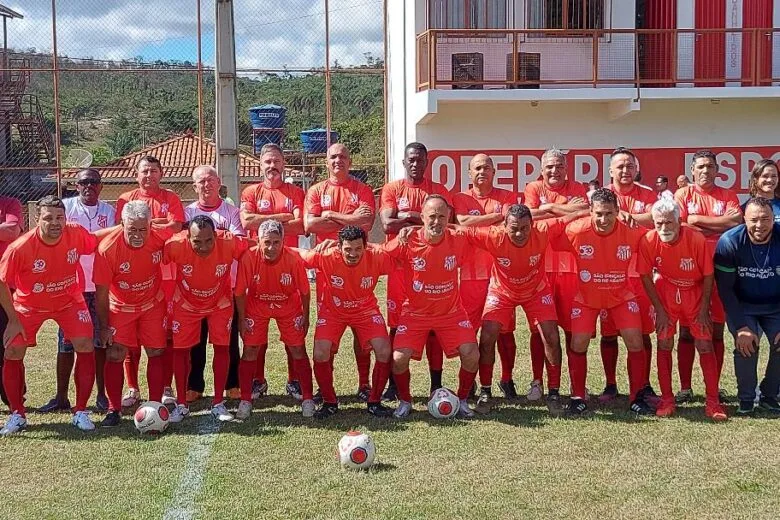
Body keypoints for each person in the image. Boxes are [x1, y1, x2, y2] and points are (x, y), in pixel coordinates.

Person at [455, 204, 575, 415]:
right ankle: (485, 391)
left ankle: (554, 392)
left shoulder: (544, 229)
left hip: (536, 291)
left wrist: (606, 211)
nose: (519, 233)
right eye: (514, 228)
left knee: (551, 336)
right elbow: (455, 229)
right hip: (502, 291)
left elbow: (571, 217)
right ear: (504, 226)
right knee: (487, 336)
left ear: (533, 225)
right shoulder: (492, 236)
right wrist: (418, 227)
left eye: (524, 228)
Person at [0, 196, 98, 435]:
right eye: (48, 218)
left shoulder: (75, 233)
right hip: (29, 305)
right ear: (37, 219)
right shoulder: (19, 248)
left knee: (85, 344)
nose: (55, 223)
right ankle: (17, 414)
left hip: (68, 301)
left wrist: (126, 227)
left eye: (59, 218)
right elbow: (2, 282)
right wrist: (13, 319)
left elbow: (96, 241)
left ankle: (81, 411)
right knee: (12, 350)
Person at [552, 188, 652, 416]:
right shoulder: (577, 230)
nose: (603, 219)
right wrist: (569, 214)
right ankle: (578, 397)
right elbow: (547, 237)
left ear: (618, 211)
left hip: (620, 296)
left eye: (608, 213)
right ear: (590, 212)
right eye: (598, 214)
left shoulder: (631, 230)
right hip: (587, 298)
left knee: (635, 341)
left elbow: (657, 233)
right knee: (578, 343)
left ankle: (637, 396)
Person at [382, 195, 479, 418]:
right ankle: (405, 402)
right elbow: (379, 253)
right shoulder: (407, 240)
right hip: (416, 313)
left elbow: (487, 233)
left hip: (451, 313)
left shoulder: (459, 238)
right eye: (432, 217)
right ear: (422, 218)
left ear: (449, 219)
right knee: (398, 359)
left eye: (442, 217)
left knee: (471, 354)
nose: (437, 222)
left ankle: (462, 399)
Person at [637, 198, 726, 420]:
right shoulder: (648, 240)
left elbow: (708, 274)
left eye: (669, 223)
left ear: (679, 221)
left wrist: (705, 307)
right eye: (659, 223)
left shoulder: (695, 238)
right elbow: (645, 275)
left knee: (705, 344)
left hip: (694, 293)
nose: (664, 228)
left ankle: (713, 402)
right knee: (664, 342)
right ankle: (667, 399)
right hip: (666, 292)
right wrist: (659, 308)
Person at [379, 142, 452, 400]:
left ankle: (436, 385)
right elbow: (388, 222)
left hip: (431, 266)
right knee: (396, 324)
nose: (415, 163)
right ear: (404, 162)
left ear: (427, 161)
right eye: (411, 159)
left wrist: (408, 216)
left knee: (433, 327)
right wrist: (417, 217)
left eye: (420, 160)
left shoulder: (438, 190)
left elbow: (447, 222)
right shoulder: (392, 189)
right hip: (399, 267)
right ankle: (393, 384)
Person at [298, 226, 394, 418]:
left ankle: (374, 401)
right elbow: (297, 254)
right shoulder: (326, 256)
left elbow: (400, 252)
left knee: (384, 349)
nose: (353, 254)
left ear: (366, 247)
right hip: (333, 310)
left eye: (358, 249)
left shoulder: (377, 256)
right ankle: (329, 402)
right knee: (320, 351)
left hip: (365, 309)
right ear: (339, 247)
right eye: (348, 249)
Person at [39, 169, 114, 414]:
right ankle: (61, 396)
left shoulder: (109, 212)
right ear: (76, 185)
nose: (88, 186)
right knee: (66, 344)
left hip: (101, 287)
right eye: (84, 182)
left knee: (101, 341)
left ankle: (102, 395)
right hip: (71, 289)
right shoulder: (66, 208)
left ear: (101, 186)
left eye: (93, 182)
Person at [304, 143, 375, 401]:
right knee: (328, 333)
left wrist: (331, 214)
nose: (338, 160)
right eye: (333, 156)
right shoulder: (316, 190)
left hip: (359, 265)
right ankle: (326, 387)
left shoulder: (362, 190)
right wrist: (351, 217)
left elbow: (366, 222)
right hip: (328, 269)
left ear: (350, 161)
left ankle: (364, 383)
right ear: (326, 162)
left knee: (361, 330)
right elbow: (310, 224)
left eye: (343, 156)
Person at [94, 201, 173, 427]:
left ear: (151, 226)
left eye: (143, 229)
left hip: (152, 303)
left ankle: (156, 405)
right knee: (115, 354)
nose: (138, 235)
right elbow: (101, 294)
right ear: (122, 225)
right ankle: (114, 409)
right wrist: (104, 326)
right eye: (132, 230)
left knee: (156, 351)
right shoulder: (107, 249)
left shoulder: (161, 237)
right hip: (121, 307)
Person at [164, 216, 248, 422]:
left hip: (219, 303)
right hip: (185, 303)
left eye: (209, 240)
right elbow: (153, 256)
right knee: (181, 351)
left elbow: (253, 250)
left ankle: (218, 402)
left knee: (222, 348)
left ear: (216, 236)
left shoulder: (229, 242)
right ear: (187, 237)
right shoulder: (174, 245)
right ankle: (182, 404)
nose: (204, 246)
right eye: (197, 241)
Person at [116, 155, 185, 408]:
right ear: (137, 174)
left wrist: (149, 225)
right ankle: (132, 387)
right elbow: (122, 231)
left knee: (164, 336)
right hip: (132, 274)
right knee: (130, 338)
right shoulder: (125, 199)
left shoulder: (171, 198)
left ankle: (166, 386)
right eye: (145, 171)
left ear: (161, 173)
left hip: (166, 275)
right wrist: (159, 225)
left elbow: (176, 227)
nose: (149, 175)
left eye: (154, 171)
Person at [674, 150, 742, 403]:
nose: (705, 171)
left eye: (710, 166)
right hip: (689, 270)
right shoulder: (683, 194)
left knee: (715, 330)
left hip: (722, 269)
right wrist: (718, 222)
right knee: (687, 331)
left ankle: (713, 385)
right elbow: (681, 223)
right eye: (700, 166)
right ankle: (684, 387)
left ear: (717, 170)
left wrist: (698, 220)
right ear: (692, 170)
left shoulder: (728, 195)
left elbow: (736, 221)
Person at [452, 154, 521, 402]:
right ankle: (470, 382)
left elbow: (506, 226)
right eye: (477, 168)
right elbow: (462, 223)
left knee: (505, 332)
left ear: (494, 172)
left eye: (487, 168)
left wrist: (474, 224)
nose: (482, 172)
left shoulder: (508, 197)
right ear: (469, 174)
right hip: (470, 277)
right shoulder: (461, 198)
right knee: (468, 333)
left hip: (500, 277)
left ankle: (507, 378)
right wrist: (495, 217)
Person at [240, 144, 305, 400]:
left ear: (283, 163)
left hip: (289, 270)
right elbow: (246, 222)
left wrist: (265, 219)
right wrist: (284, 217)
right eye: (267, 162)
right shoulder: (250, 192)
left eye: (276, 161)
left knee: (293, 335)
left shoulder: (295, 192)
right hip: (258, 270)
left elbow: (301, 225)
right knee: (257, 336)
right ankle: (257, 380)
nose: (272, 166)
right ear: (260, 165)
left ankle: (294, 381)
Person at [523, 149, 589, 399]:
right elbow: (529, 216)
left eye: (558, 166)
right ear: (542, 170)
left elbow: (583, 212)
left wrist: (548, 207)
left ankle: (575, 385)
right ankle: (538, 382)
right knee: (539, 329)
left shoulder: (578, 187)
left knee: (573, 329)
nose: (554, 171)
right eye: (549, 166)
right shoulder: (533, 188)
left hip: (571, 269)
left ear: (566, 168)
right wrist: (563, 209)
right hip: (541, 268)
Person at [234, 220, 313, 419]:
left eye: (276, 242)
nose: (271, 247)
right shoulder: (248, 257)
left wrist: (306, 316)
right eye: (266, 242)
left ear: (283, 241)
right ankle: (245, 399)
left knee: (297, 348)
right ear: (258, 241)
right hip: (257, 304)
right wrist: (242, 319)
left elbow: (304, 291)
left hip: (288, 304)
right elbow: (240, 292)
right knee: (250, 349)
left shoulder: (293, 258)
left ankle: (308, 399)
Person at [184, 165, 244, 403]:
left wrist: (212, 241)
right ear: (194, 186)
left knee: (228, 340)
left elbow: (239, 243)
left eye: (210, 180)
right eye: (201, 181)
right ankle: (194, 385)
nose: (206, 185)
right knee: (195, 340)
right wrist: (221, 239)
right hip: (193, 289)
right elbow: (182, 243)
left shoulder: (232, 211)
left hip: (226, 286)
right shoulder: (186, 213)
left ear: (219, 183)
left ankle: (232, 383)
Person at [715, 197, 780, 415]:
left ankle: (770, 396)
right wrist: (741, 326)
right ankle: (746, 399)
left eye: (765, 219)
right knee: (747, 344)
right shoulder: (729, 241)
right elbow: (726, 290)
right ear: (744, 219)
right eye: (754, 220)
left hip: (776, 306)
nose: (759, 225)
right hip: (743, 305)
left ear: (773, 219)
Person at [603, 147, 658, 406]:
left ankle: (644, 384)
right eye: (620, 167)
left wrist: (628, 216)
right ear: (610, 170)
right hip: (607, 274)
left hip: (639, 273)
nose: (625, 171)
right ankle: (610, 384)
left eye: (630, 166)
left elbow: (655, 218)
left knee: (643, 334)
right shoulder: (602, 195)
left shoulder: (647, 194)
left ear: (637, 170)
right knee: (609, 334)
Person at [0, 191, 23, 408]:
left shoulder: (10, 203)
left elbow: (11, 231)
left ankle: (14, 398)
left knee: (9, 342)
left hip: (7, 286)